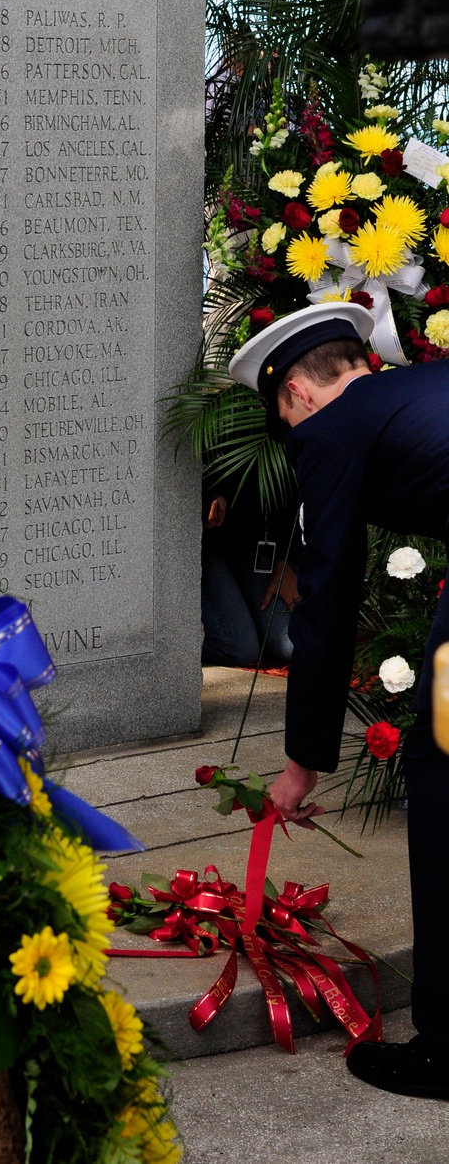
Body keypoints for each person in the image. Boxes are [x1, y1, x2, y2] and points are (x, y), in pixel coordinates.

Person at [229, 301, 449, 1099]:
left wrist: (301, 765)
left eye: (283, 423)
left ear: (298, 394)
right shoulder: (421, 392)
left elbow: (324, 601)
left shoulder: (329, 432)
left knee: (442, 769)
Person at [201, 470, 298, 671]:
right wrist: (202, 499)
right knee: (238, 648)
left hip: (258, 545)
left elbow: (300, 490)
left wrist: (287, 561)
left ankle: (250, 621)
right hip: (203, 546)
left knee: (294, 645)